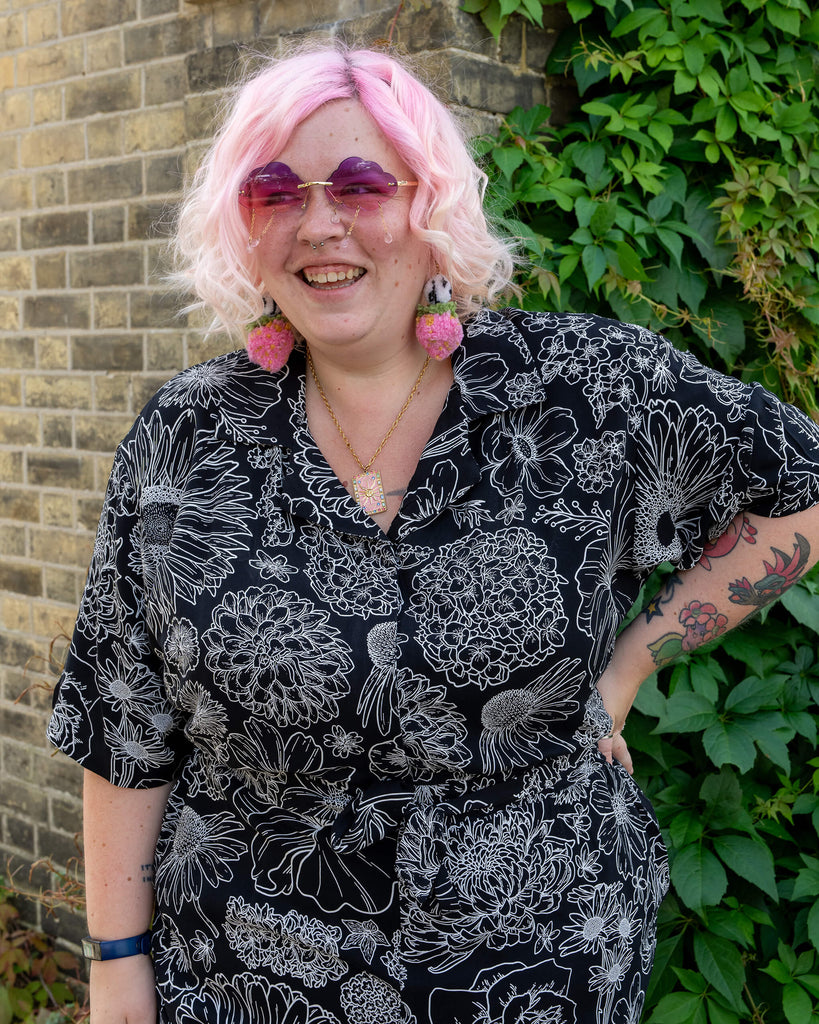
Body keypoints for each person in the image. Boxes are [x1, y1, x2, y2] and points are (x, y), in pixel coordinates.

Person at [47, 42, 819, 1024]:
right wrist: (117, 964)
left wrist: (630, 665)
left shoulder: (578, 390)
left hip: (543, 981)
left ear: (432, 201)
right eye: (275, 189)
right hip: (244, 984)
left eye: (362, 183)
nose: (319, 222)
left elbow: (799, 485)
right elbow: (124, 717)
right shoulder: (188, 432)